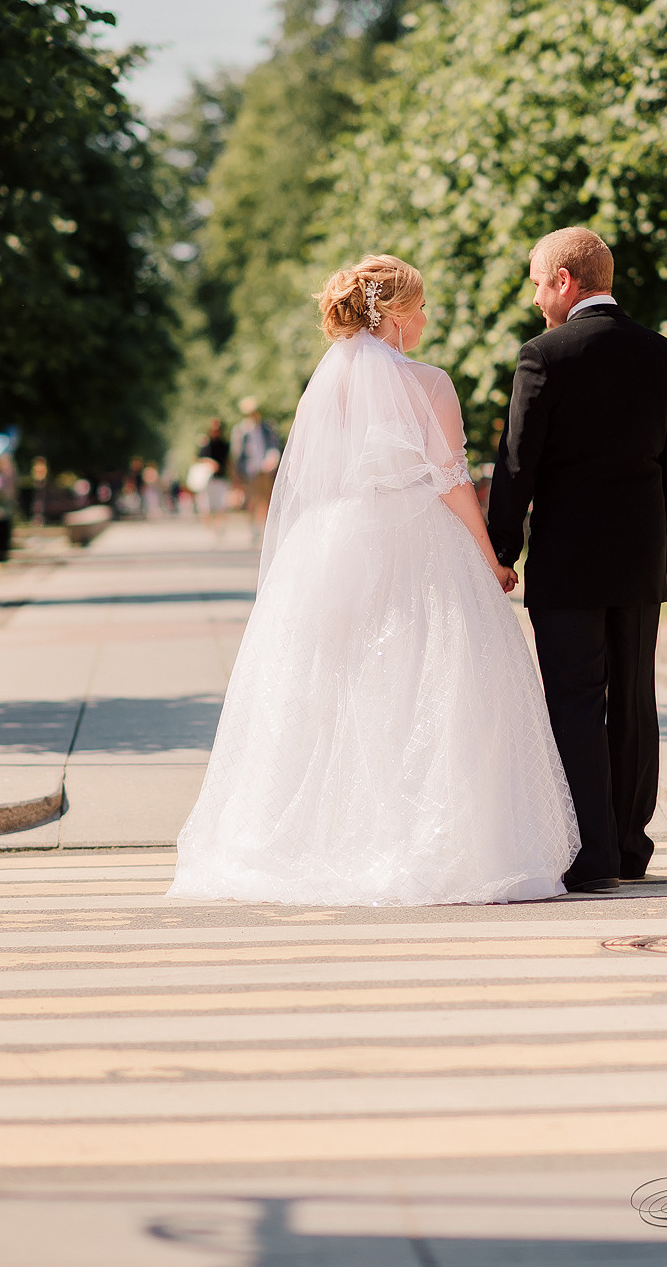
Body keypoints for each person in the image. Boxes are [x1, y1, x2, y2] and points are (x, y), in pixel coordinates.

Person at [170, 253, 578, 906]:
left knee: (333, 686)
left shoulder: (327, 383)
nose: (426, 318)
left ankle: (319, 843)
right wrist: (489, 555)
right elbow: (449, 479)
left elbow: (311, 475)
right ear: (394, 314)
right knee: (427, 684)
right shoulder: (430, 383)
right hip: (418, 542)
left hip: (332, 544)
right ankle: (422, 839)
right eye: (420, 307)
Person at [487, 226, 667, 893]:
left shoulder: (545, 355)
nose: (535, 295)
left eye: (538, 282)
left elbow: (518, 465)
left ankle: (592, 851)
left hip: (569, 563)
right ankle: (632, 846)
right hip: (640, 560)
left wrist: (500, 548)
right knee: (635, 699)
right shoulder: (665, 356)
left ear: (565, 282)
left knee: (576, 701)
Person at [229, 396, 281, 543]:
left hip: (265, 470)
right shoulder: (240, 430)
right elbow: (237, 454)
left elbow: (273, 446)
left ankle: (264, 529)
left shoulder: (267, 428)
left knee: (265, 500)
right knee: (251, 501)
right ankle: (253, 530)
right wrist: (237, 475)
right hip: (248, 471)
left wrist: (271, 460)